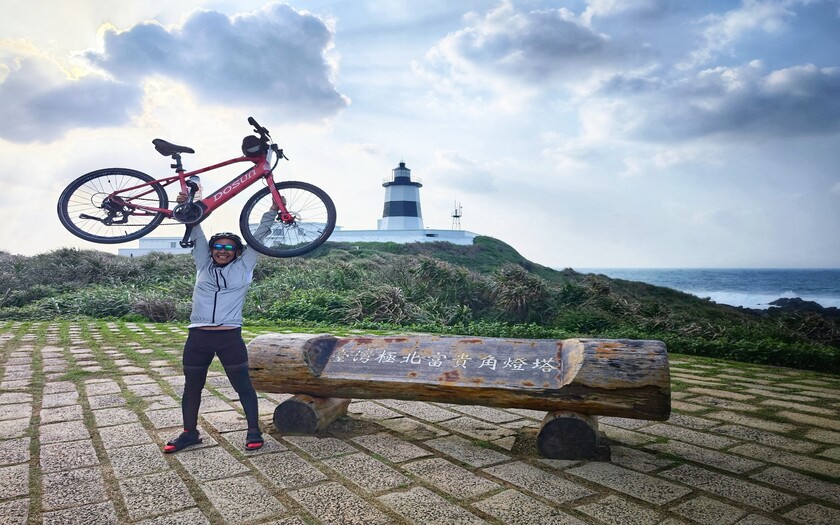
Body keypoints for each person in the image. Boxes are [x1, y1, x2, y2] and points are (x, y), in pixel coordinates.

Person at [163, 192, 276, 453]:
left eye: (228, 248)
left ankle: (253, 431)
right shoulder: (203, 264)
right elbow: (196, 230)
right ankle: (189, 433)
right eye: (218, 247)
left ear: (237, 252)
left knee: (242, 386)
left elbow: (259, 236)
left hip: (229, 337)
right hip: (198, 337)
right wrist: (187, 204)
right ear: (212, 250)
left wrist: (270, 211)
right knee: (192, 387)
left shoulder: (244, 266)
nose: (222, 251)